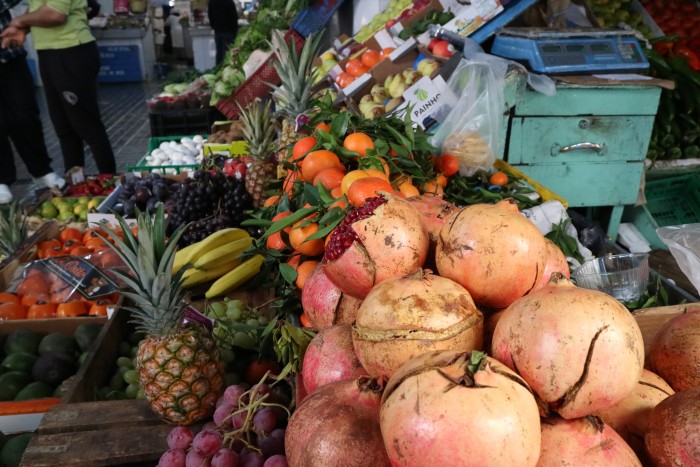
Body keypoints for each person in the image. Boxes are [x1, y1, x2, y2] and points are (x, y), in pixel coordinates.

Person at [1, 0, 117, 176]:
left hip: (71, 52)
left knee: (87, 126)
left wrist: (20, 21)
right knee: (64, 129)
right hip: (50, 54)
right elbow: (42, 11)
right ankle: (76, 187)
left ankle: (111, 185)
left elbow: (55, 14)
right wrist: (23, 29)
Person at [0, 0, 65, 204]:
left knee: (26, 115)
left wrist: (21, 23)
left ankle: (41, 170)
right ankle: (2, 179)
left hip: (9, 54)